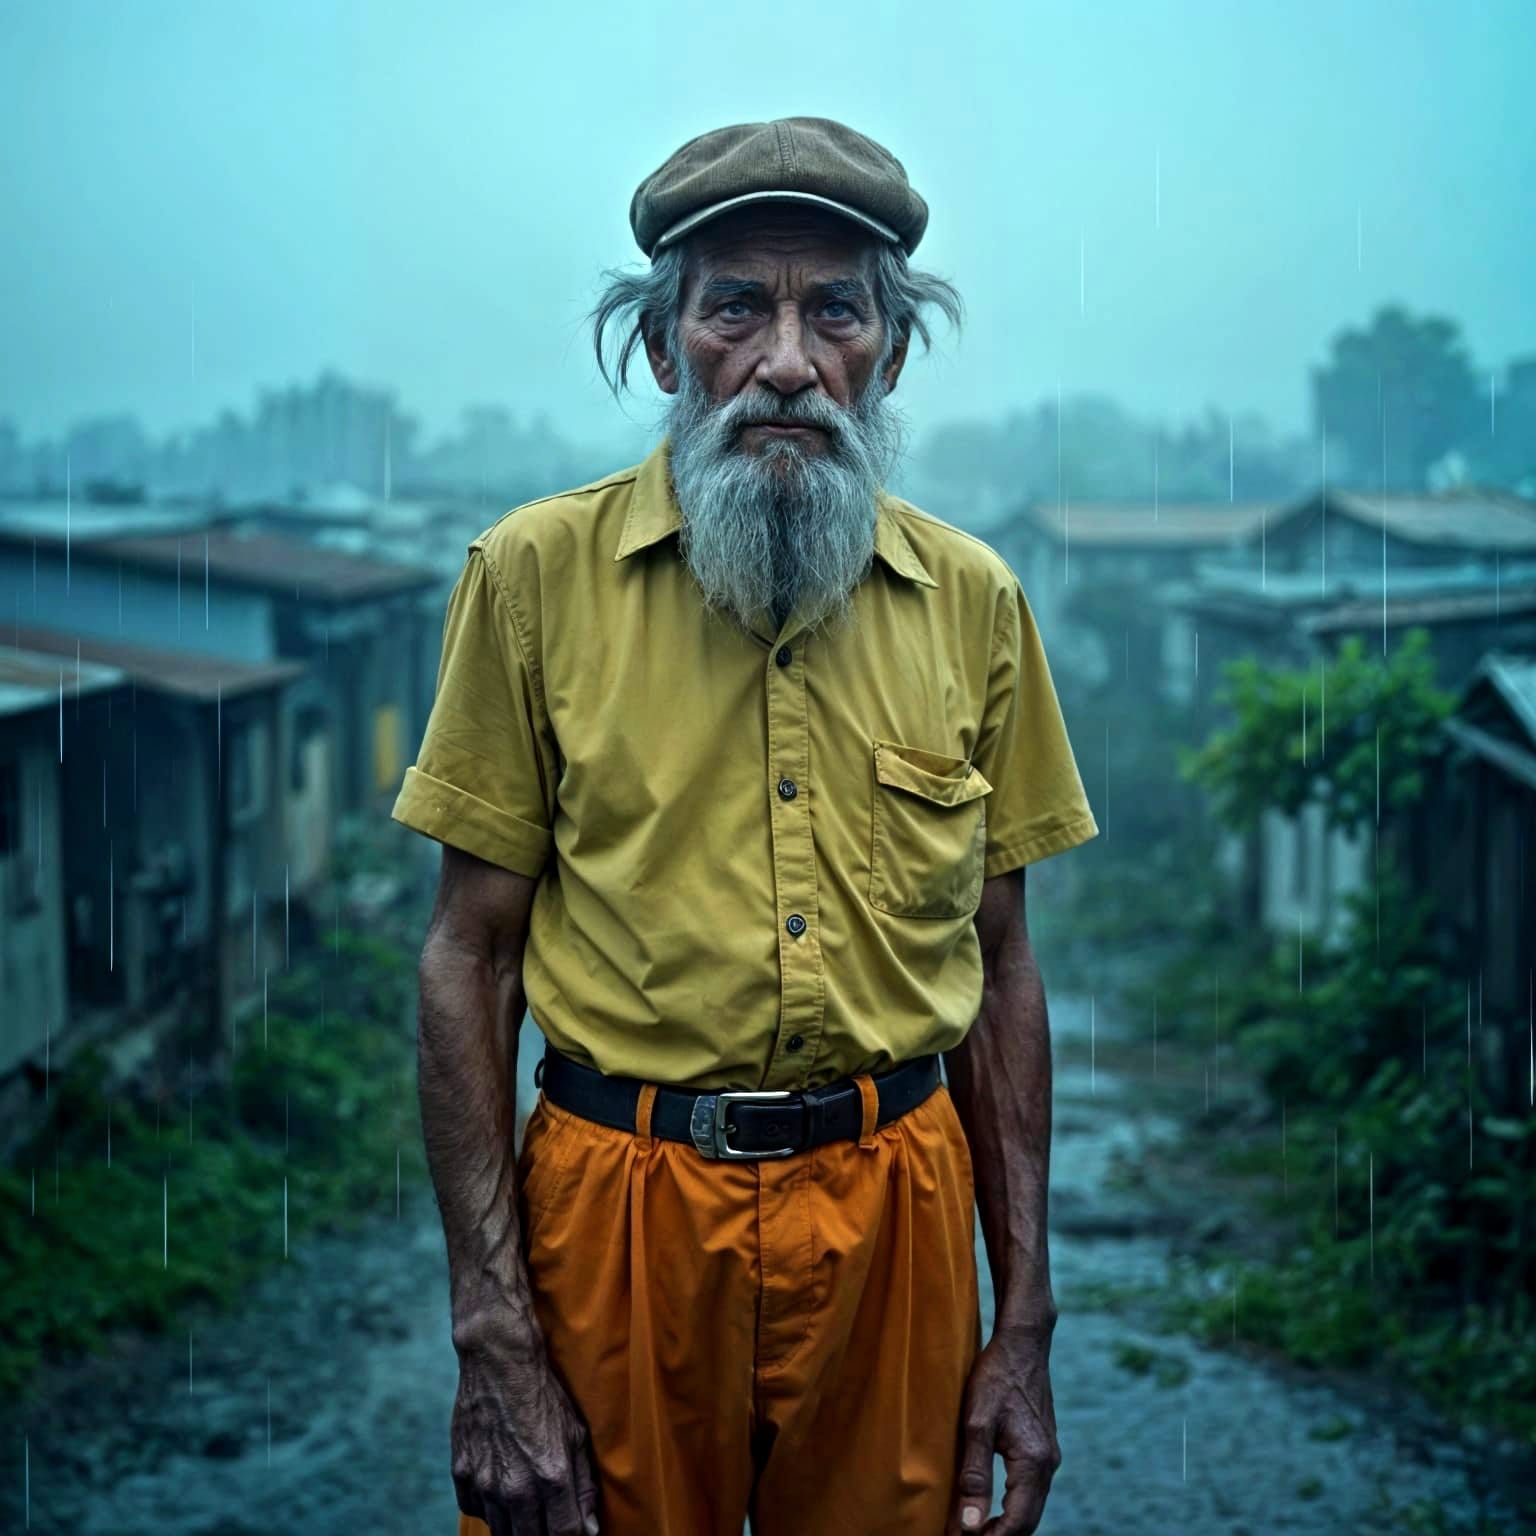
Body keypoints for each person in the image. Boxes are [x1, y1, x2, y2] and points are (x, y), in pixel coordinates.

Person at [391, 116, 1099, 1536]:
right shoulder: (531, 580)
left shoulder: (975, 604)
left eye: (833, 309)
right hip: (618, 1214)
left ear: (887, 351)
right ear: (666, 348)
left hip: (899, 1212)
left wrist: (1021, 1319)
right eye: (737, 308)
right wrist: (492, 1333)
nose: (786, 361)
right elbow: (470, 963)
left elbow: (1002, 969)